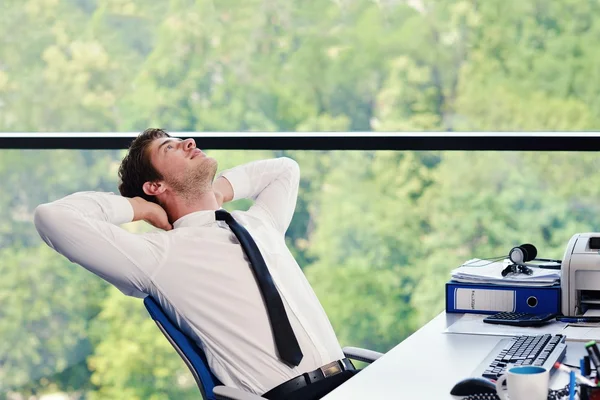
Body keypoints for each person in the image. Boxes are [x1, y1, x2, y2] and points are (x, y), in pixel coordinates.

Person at [34, 128, 358, 399]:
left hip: (352, 381)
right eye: (170, 148)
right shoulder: (157, 256)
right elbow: (52, 218)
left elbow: (285, 169)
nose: (189, 143)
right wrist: (139, 208)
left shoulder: (259, 223)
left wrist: (219, 192)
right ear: (155, 186)